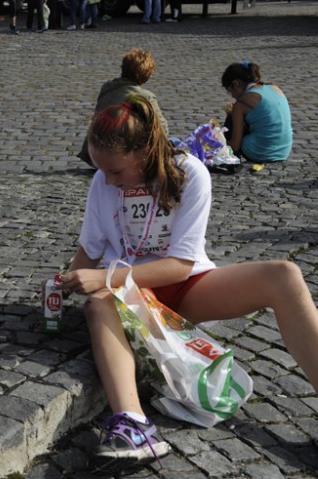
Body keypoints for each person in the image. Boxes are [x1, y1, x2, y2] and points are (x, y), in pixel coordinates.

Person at [61, 95, 318, 474]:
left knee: (285, 275)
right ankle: (134, 425)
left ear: (145, 152)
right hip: (131, 298)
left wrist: (103, 277)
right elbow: (89, 249)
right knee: (98, 303)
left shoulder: (189, 172)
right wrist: (63, 285)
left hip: (187, 287)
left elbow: (180, 267)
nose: (108, 180)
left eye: (116, 171)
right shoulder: (103, 182)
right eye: (102, 171)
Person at [78, 48, 169, 167]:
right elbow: (163, 130)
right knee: (175, 142)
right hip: (119, 157)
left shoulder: (107, 87)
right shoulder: (145, 96)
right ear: (147, 75)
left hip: (93, 154)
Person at [221, 61, 292, 163]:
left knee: (230, 120)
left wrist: (218, 145)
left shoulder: (240, 104)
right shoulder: (275, 88)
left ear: (235, 84)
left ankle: (231, 161)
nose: (232, 95)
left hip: (260, 152)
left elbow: (235, 145)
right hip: (283, 151)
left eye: (229, 91)